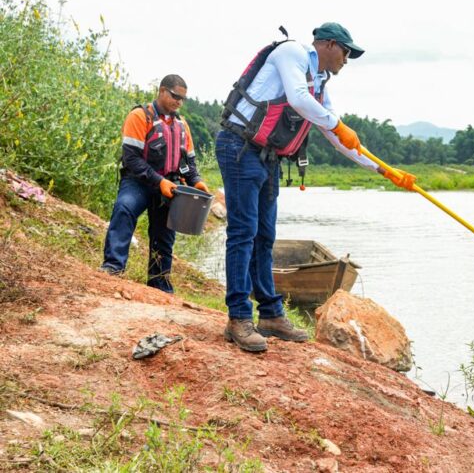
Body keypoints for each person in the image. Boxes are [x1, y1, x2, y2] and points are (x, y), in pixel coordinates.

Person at [217, 22, 417, 352]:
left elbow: (339, 138)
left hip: (266, 156)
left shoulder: (320, 84)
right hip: (239, 146)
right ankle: (238, 318)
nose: (347, 60)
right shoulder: (292, 53)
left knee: (265, 235)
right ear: (327, 44)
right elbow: (298, 99)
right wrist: (336, 124)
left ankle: (270, 315)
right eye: (346, 51)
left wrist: (384, 170)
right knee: (243, 232)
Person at [100, 74, 209, 293]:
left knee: (165, 234)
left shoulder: (182, 125)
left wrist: (196, 181)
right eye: (175, 96)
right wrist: (158, 181)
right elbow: (131, 159)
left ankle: (159, 283)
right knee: (124, 209)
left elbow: (188, 162)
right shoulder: (140, 116)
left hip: (169, 186)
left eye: (183, 99)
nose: (179, 102)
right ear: (161, 91)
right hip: (138, 182)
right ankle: (112, 268)